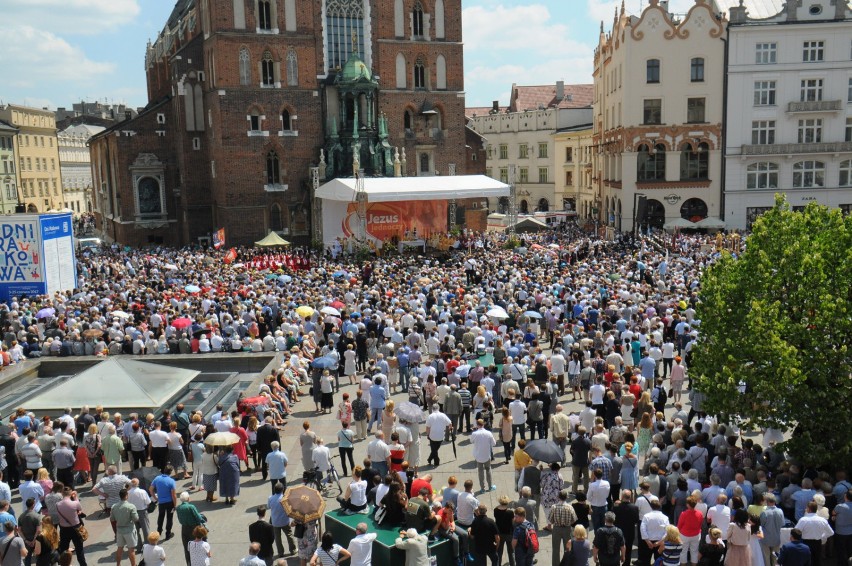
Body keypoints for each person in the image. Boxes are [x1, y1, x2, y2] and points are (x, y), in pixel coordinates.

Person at [795, 501, 834, 566]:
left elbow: (796, 531)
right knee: (817, 561)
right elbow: (831, 532)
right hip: (818, 543)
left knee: (807, 561)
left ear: (809, 509)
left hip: (806, 543)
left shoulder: (803, 520)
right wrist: (822, 536)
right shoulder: (822, 520)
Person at [56, 488, 87, 566]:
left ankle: (64, 564)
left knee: (63, 549)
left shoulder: (58, 504)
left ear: (62, 494)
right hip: (76, 528)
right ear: (70, 494)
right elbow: (80, 509)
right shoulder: (74, 503)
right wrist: (75, 497)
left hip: (63, 529)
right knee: (79, 550)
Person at [547, 489, 578, 566]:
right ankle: (566, 564)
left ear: (558, 497)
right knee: (567, 549)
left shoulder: (554, 507)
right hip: (567, 529)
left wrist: (556, 522)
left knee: (555, 549)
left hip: (556, 528)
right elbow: (574, 519)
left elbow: (550, 519)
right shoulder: (570, 507)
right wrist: (568, 523)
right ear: (566, 497)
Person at [110, 488, 140, 566]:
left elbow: (112, 519)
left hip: (119, 530)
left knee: (119, 548)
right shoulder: (131, 506)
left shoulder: (114, 506)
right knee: (131, 550)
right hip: (129, 530)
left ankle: (118, 564)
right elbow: (136, 518)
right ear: (126, 496)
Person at [176, 491, 206, 565]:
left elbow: (179, 519)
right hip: (194, 528)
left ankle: (189, 563)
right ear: (188, 498)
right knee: (197, 546)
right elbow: (198, 517)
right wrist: (203, 519)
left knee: (187, 548)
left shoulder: (178, 508)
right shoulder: (191, 507)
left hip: (184, 528)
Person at [150, 465, 177, 540]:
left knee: (161, 517)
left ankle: (159, 532)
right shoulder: (171, 481)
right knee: (169, 518)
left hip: (161, 502)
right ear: (170, 472)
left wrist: (155, 498)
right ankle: (168, 534)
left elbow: (150, 489)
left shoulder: (157, 478)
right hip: (170, 503)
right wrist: (175, 505)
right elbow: (174, 495)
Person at [639, 500, 670, 566]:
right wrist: (659, 542)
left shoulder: (646, 516)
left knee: (646, 560)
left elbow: (642, 529)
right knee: (658, 561)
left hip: (647, 542)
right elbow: (667, 531)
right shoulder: (665, 517)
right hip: (659, 542)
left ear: (651, 506)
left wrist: (647, 541)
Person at [471, 419, 497, 493]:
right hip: (486, 455)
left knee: (480, 471)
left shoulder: (474, 434)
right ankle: (490, 486)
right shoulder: (488, 433)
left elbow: (471, 441)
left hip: (478, 456)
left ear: (477, 425)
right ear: (483, 424)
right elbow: (494, 444)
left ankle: (482, 488)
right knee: (488, 469)